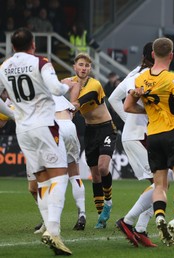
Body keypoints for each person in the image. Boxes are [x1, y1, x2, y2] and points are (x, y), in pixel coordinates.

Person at [0, 27, 78, 255]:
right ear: (33, 44)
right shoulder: (40, 62)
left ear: (13, 46)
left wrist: (13, 114)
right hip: (44, 125)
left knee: (43, 180)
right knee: (61, 174)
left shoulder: (3, 67)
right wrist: (67, 86)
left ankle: (52, 231)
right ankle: (52, 230)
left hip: (23, 129)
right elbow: (55, 88)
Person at [124, 37, 174, 250]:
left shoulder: (141, 78)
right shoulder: (173, 79)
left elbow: (128, 106)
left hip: (153, 136)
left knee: (160, 183)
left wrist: (146, 109)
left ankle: (160, 217)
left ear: (153, 54)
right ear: (171, 55)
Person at [109, 42, 157, 247]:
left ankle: (140, 228)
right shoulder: (144, 74)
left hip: (137, 134)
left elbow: (113, 98)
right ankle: (128, 222)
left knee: (160, 182)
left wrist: (126, 118)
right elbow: (132, 92)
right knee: (161, 182)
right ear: (154, 55)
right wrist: (135, 116)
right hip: (139, 135)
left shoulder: (135, 71)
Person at [69, 53, 117, 229]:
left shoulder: (94, 85)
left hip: (105, 127)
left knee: (103, 168)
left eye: (87, 66)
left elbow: (80, 102)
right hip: (90, 131)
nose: (84, 68)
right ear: (75, 67)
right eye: (81, 65)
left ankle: (109, 203)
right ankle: (100, 217)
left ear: (90, 69)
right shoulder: (71, 81)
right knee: (95, 175)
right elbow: (56, 87)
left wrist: (66, 107)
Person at [32, 95, 86, 234]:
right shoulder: (61, 96)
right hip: (69, 126)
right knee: (75, 174)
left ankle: (51, 220)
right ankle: (82, 213)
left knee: (49, 178)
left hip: (54, 128)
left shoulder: (38, 95)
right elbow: (73, 110)